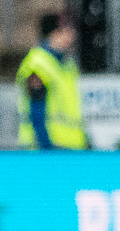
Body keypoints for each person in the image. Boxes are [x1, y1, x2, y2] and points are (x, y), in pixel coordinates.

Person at [16, 11, 88, 150]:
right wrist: (46, 146)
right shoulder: (38, 62)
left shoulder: (67, 64)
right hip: (47, 147)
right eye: (66, 31)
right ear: (53, 33)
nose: (71, 36)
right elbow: (36, 108)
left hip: (71, 146)